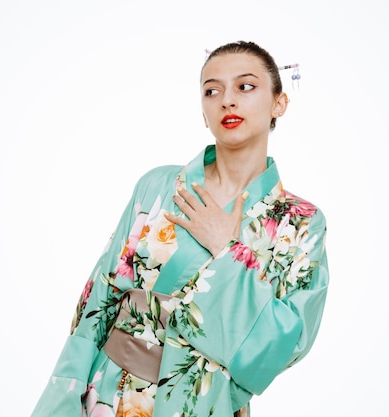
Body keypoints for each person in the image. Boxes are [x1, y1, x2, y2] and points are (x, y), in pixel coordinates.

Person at [30, 40, 329, 417]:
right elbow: (97, 299)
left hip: (205, 405)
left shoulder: (300, 223)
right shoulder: (157, 186)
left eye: (246, 86)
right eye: (212, 90)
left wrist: (226, 249)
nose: (227, 100)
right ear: (204, 111)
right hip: (108, 394)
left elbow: (283, 345)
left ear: (279, 103)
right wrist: (65, 397)